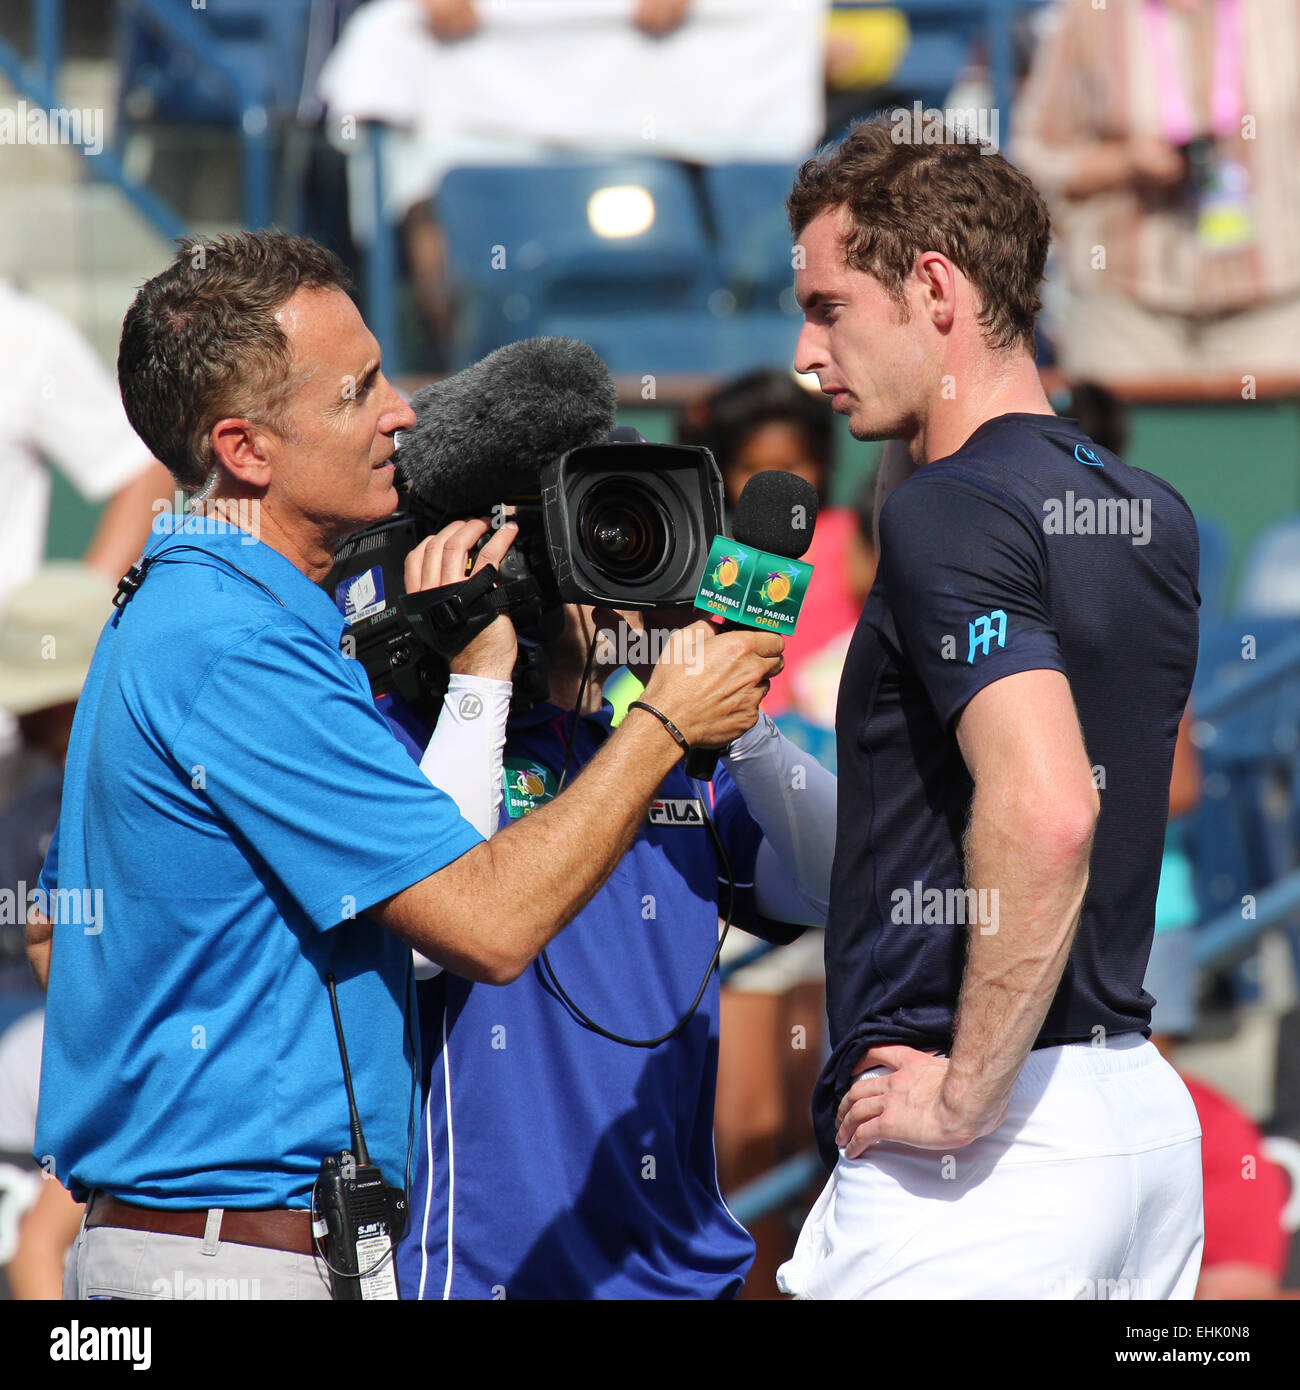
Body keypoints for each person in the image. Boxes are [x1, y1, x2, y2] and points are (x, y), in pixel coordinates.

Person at [27, 230, 781, 1300]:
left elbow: (59, 931)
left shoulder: (194, 610)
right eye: (358, 391)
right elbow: (488, 927)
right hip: (234, 1262)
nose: (402, 413)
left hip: (222, 1247)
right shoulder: (238, 644)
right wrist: (663, 720)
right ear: (246, 450)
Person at [778, 118, 1203, 1300]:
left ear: (933, 286)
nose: (806, 353)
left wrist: (966, 1093)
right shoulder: (1145, 507)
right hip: (1133, 1123)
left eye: (827, 307)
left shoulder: (945, 513)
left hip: (982, 1151)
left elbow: (1050, 808)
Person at [380, 580, 834, 1299]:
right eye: (599, 536)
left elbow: (840, 879)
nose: (630, 586)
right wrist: (481, 679)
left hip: (683, 1275)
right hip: (489, 1275)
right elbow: (428, 942)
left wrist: (732, 712)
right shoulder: (416, 737)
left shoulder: (667, 756)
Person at [1013, 0, 1300, 379]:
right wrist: (1124, 163)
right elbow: (1034, 155)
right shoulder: (1091, 14)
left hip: (1272, 304)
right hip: (1127, 309)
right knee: (1119, 438)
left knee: (1266, 438)